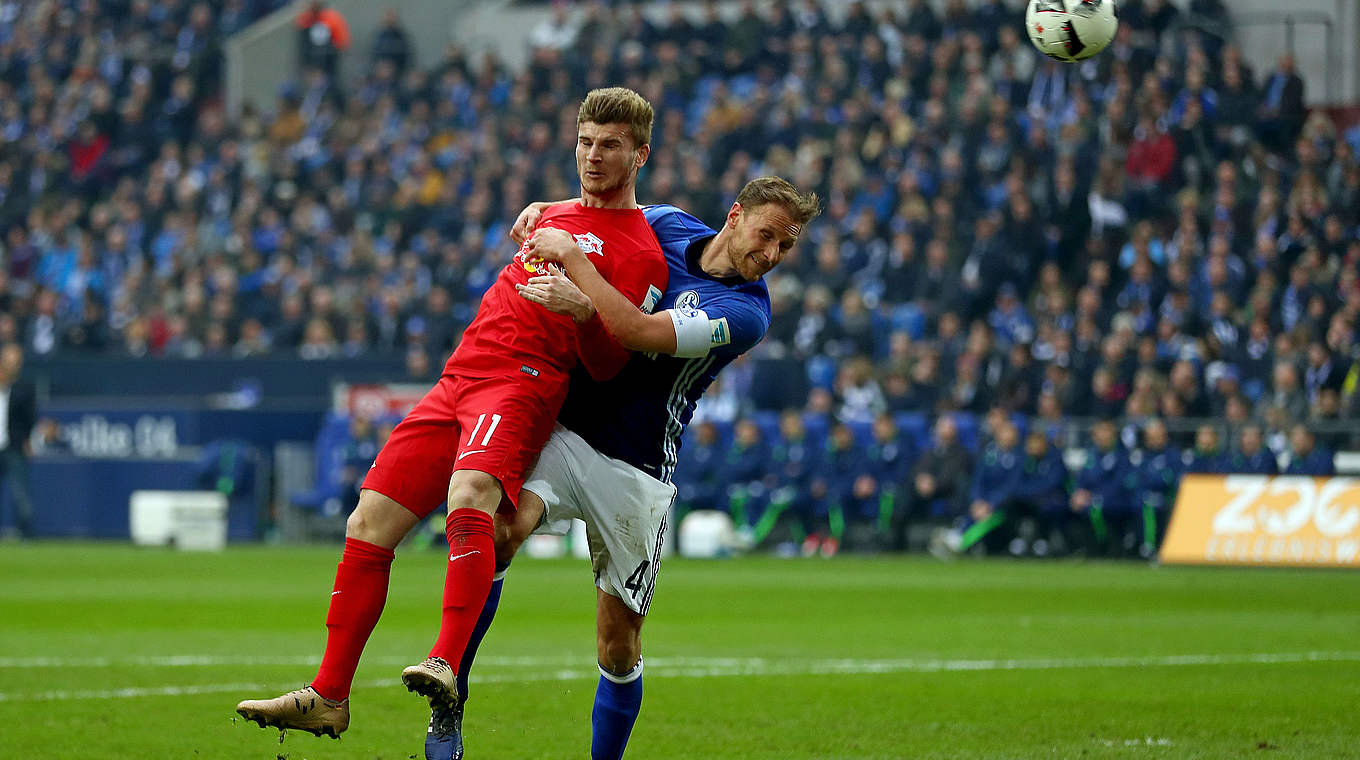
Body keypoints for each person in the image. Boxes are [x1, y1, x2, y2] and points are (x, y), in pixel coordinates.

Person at [235, 87, 669, 739]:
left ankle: (446, 662)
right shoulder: (550, 214)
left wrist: (581, 311)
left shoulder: (640, 252)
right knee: (368, 519)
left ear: (640, 154)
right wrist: (547, 223)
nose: (593, 155)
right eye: (584, 141)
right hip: (459, 376)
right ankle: (328, 694)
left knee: (471, 494)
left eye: (610, 145)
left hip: (522, 383)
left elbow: (611, 365)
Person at [422, 177, 820, 760]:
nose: (772, 256)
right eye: (766, 236)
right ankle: (448, 700)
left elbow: (635, 332)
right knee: (498, 532)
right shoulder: (667, 224)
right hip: (568, 430)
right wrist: (548, 212)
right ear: (734, 216)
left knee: (617, 645)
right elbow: (600, 212)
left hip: (637, 467)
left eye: (785, 247)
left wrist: (575, 267)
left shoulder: (745, 312)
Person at [0, 344, 36, 538]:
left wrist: (27, 440)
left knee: (20, 492)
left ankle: (26, 534)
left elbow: (29, 417)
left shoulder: (23, 388)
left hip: (13, 446)